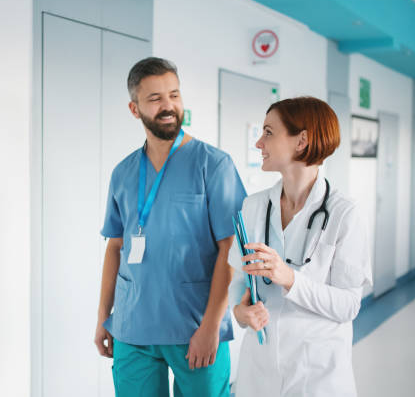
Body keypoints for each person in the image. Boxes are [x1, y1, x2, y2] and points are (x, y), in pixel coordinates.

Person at [94, 57, 246, 397]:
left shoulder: (214, 165)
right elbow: (115, 247)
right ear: (135, 109)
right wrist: (105, 317)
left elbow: (230, 248)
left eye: (174, 95)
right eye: (155, 99)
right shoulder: (123, 173)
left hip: (195, 325)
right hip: (133, 327)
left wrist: (211, 327)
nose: (168, 106)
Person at [228, 97, 372, 396]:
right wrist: (240, 312)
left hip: (317, 375)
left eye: (268, 132)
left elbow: (348, 305)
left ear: (302, 141)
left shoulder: (344, 213)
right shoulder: (253, 206)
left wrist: (290, 278)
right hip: (259, 373)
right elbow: (238, 281)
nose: (258, 142)